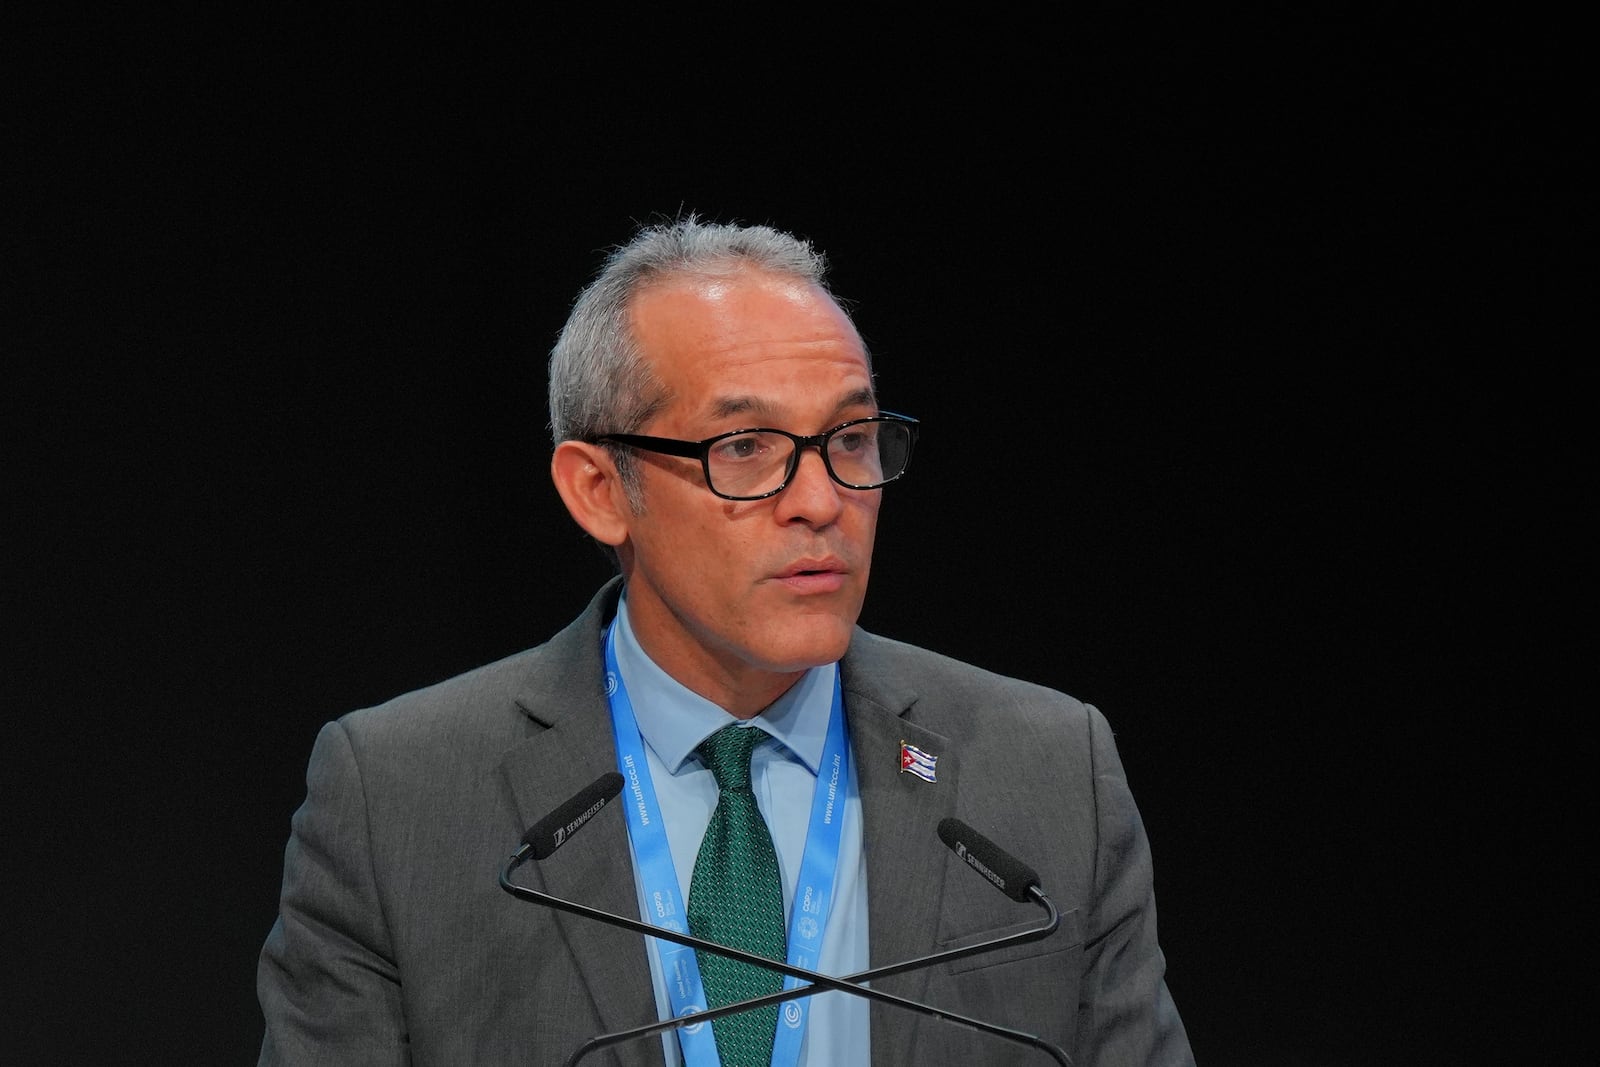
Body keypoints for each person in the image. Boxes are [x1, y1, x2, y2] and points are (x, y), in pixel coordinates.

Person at [257, 214, 1195, 1066]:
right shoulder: (400, 798)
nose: (823, 501)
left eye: (853, 439)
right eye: (745, 447)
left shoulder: (1046, 773)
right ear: (598, 489)